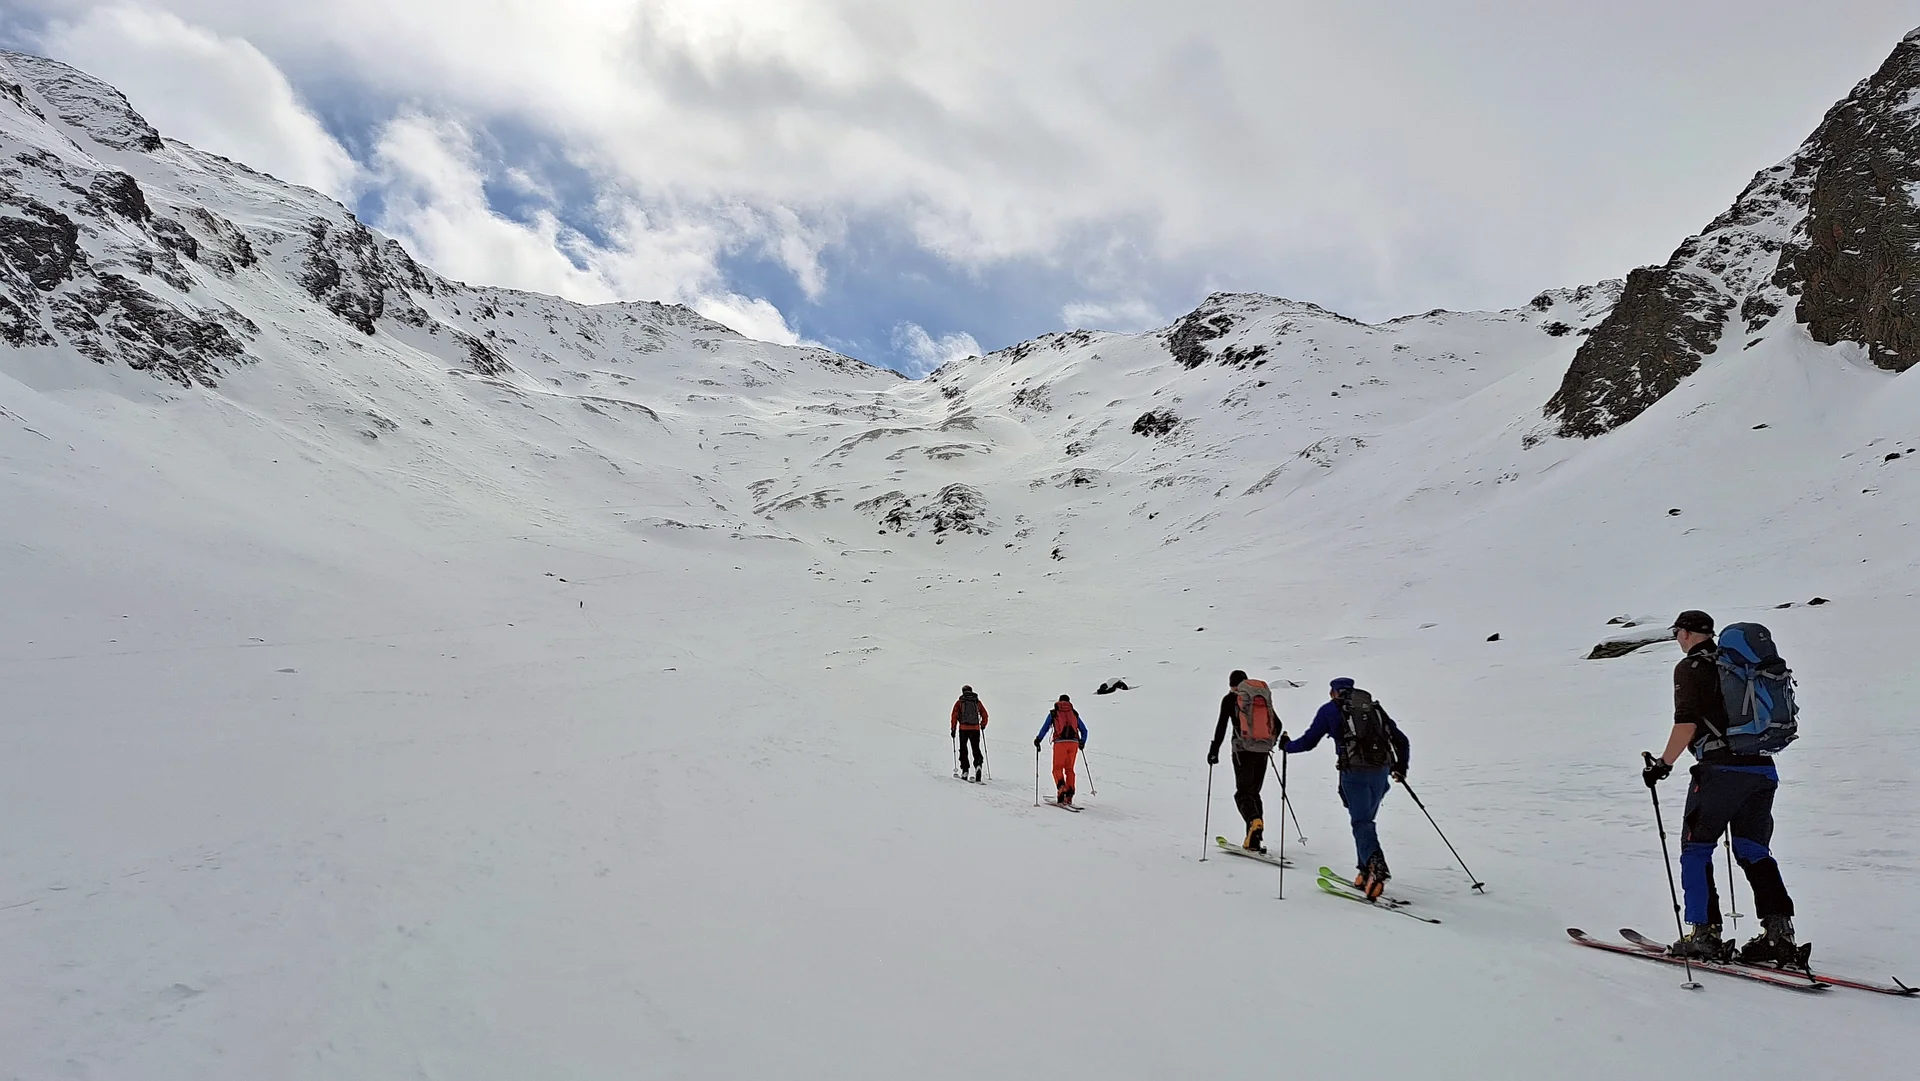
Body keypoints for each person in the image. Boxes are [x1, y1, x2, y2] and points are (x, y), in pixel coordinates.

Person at [1642, 610, 1802, 965]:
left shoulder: (1692, 668)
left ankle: (1704, 934)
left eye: (1677, 634)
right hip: (1762, 769)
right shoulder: (1740, 666)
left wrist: (1662, 766)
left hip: (1720, 772)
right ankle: (1780, 935)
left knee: (1696, 849)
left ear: (1684, 634)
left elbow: (1686, 724)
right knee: (1752, 849)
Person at [1284, 678, 1410, 899]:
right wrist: (1401, 767)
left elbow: (1308, 742)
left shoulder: (1330, 710)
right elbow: (1401, 740)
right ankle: (1364, 872)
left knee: (1361, 822)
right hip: (1381, 773)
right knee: (1365, 822)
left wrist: (1287, 746)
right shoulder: (1374, 708)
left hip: (1353, 773)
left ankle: (1376, 866)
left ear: (1334, 692)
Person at [1207, 670, 1279, 852]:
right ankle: (1254, 840)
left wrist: (1214, 751)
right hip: (1262, 750)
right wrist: (1270, 741)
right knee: (1254, 793)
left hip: (1242, 751)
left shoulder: (1231, 699)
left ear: (1232, 685)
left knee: (1243, 793)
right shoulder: (1260, 699)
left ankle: (1253, 821)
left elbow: (1221, 726)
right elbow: (1277, 724)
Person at [1034, 695, 1088, 806]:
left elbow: (1045, 728)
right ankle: (1070, 793)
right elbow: (1084, 730)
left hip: (1060, 743)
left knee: (1057, 768)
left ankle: (1062, 789)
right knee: (1069, 769)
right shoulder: (1074, 713)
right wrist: (1082, 742)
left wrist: (1038, 739)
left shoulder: (1054, 713)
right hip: (1073, 743)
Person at [950, 685, 989, 781]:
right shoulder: (976, 701)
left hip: (963, 728)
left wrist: (953, 728)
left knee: (963, 749)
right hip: (975, 728)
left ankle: (965, 770)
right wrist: (982, 725)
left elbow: (954, 715)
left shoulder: (960, 702)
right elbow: (985, 714)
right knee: (976, 748)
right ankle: (978, 766)